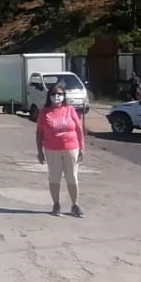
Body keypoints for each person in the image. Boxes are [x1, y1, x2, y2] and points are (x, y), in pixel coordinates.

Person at [36, 83, 85, 218]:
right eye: (53, 94)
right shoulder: (44, 112)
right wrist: (39, 151)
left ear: (64, 96)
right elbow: (39, 133)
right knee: (54, 177)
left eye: (59, 94)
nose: (56, 97)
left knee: (72, 177)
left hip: (71, 148)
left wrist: (82, 147)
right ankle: (56, 204)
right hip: (52, 149)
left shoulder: (70, 110)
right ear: (49, 96)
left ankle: (75, 205)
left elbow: (78, 129)